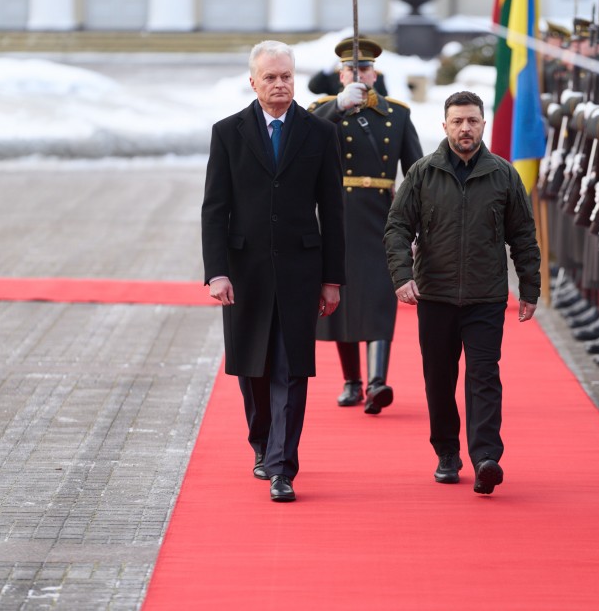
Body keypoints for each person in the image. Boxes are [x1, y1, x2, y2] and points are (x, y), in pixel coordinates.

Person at [201, 40, 346, 503]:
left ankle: (283, 466)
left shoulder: (319, 133)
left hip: (301, 272)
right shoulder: (228, 133)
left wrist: (332, 279)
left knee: (291, 368)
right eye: (270, 77)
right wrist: (216, 272)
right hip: (245, 274)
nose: (280, 84)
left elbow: (333, 212)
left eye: (286, 76)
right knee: (254, 370)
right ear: (253, 82)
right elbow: (214, 209)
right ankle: (262, 443)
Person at [384, 90, 541, 495]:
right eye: (457, 121)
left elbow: (523, 235)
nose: (465, 128)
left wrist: (529, 287)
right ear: (445, 126)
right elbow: (397, 227)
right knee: (439, 378)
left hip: (485, 297)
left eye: (472, 121)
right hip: (434, 296)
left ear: (483, 124)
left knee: (484, 376)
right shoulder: (423, 172)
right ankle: (447, 452)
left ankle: (486, 457)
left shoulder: (503, 174)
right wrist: (402, 276)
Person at [310, 37, 423, 414]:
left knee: (377, 296)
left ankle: (376, 382)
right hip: (335, 214)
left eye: (364, 69)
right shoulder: (324, 111)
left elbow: (416, 173)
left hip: (381, 217)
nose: (358, 75)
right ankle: (352, 381)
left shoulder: (397, 114)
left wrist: (418, 222)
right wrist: (338, 107)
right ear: (340, 76)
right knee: (339, 296)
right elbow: (303, 138)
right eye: (351, 70)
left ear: (375, 74)